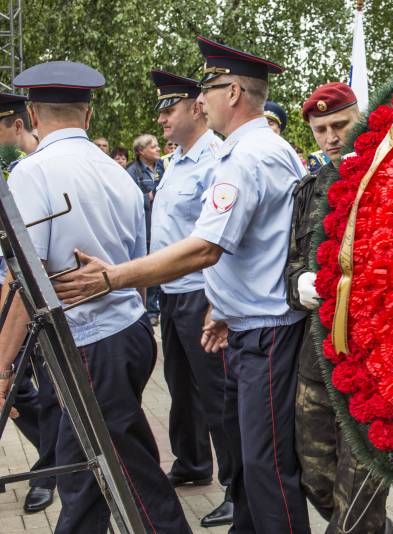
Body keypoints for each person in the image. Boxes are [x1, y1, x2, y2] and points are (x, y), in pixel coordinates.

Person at [54, 37, 310, 533]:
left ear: (232, 92)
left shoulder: (246, 157)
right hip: (252, 323)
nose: (201, 100)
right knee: (252, 458)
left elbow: (204, 248)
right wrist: (224, 305)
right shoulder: (261, 149)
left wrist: (112, 277)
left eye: (208, 89)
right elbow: (259, 246)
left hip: (267, 331)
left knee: (267, 468)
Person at [0, 60, 190, 534]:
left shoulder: (32, 172)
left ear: (33, 115)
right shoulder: (116, 172)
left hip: (88, 343)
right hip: (125, 332)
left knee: (130, 474)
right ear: (87, 115)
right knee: (83, 471)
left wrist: (1, 368)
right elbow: (136, 266)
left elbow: (24, 281)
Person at [286, 81, 393, 534]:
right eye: (321, 130)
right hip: (319, 359)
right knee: (314, 476)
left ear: (361, 119)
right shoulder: (310, 189)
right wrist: (299, 283)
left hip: (378, 364)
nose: (331, 137)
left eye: (339, 125)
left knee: (360, 497)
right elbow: (292, 260)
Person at [149, 68, 234, 527]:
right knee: (181, 386)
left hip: (202, 292)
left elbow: (216, 240)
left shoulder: (215, 160)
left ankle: (237, 488)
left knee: (217, 392)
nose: (162, 118)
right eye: (160, 110)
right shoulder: (176, 161)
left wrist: (216, 302)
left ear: (197, 108)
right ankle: (192, 462)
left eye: (170, 108)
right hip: (172, 293)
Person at [0, 92, 60, 514]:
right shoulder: (11, 169)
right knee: (17, 390)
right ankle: (53, 458)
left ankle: (49, 473)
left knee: (51, 390)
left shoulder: (41, 169)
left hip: (38, 301)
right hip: (9, 296)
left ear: (18, 125)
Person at [127, 133, 163, 325]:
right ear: (141, 151)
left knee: (160, 266)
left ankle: (156, 308)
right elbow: (128, 199)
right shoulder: (132, 171)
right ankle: (147, 310)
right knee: (147, 267)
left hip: (162, 227)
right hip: (145, 228)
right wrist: (146, 197)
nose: (158, 149)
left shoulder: (164, 167)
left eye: (157, 145)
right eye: (153, 146)